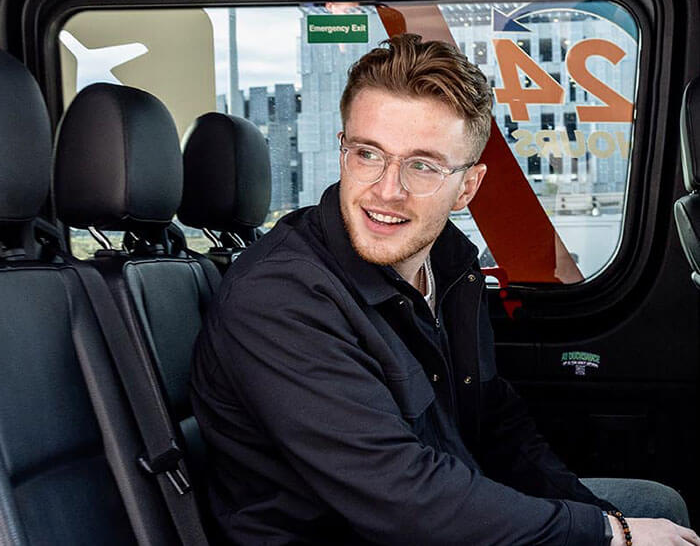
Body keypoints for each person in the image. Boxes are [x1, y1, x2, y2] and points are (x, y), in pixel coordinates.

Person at [191, 34, 698, 545]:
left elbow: (495, 420)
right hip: (368, 531)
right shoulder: (279, 298)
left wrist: (604, 520)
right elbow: (403, 498)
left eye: (423, 165)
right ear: (343, 150)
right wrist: (609, 537)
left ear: (468, 187)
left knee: (657, 506)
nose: (387, 190)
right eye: (368, 154)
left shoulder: (449, 262)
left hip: (437, 507)